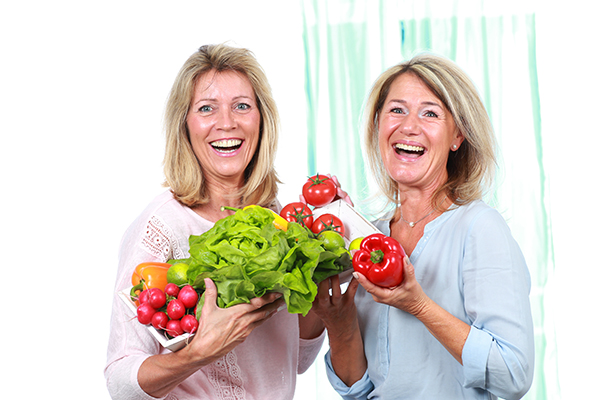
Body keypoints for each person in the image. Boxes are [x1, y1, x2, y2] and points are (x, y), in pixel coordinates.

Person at [105, 43, 328, 400]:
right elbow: (120, 381)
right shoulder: (159, 228)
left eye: (242, 106)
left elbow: (295, 359)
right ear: (185, 125)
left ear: (261, 119)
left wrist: (325, 276)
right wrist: (197, 354)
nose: (227, 123)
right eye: (207, 108)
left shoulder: (276, 219)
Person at [311, 53, 535, 399]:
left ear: (457, 136)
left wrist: (419, 305)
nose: (409, 126)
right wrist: (339, 327)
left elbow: (513, 374)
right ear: (377, 126)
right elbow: (360, 389)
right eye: (397, 110)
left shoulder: (479, 228)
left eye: (430, 113)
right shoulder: (371, 241)